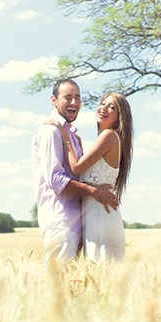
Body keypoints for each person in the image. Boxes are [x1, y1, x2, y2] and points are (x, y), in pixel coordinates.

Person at [31, 79, 118, 263]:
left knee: (72, 286)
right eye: (67, 97)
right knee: (57, 284)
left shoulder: (70, 135)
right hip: (60, 219)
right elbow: (55, 180)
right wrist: (95, 192)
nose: (74, 103)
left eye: (77, 97)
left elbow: (79, 171)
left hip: (79, 220)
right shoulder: (51, 131)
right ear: (54, 100)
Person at [48, 92, 133, 261]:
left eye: (112, 107)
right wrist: (76, 144)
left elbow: (76, 167)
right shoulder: (105, 138)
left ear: (119, 117)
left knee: (103, 270)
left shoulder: (108, 136)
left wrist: (65, 136)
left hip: (101, 214)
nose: (104, 108)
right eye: (103, 103)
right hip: (93, 214)